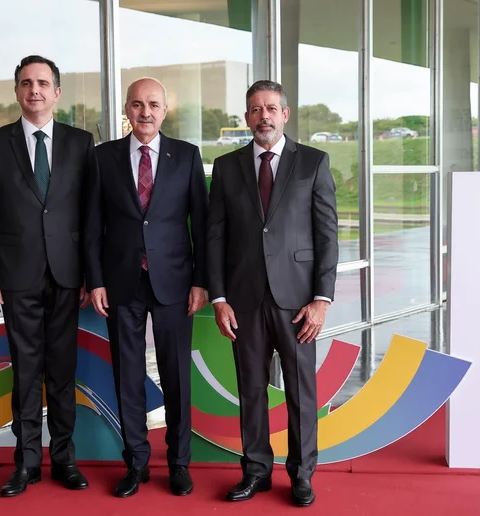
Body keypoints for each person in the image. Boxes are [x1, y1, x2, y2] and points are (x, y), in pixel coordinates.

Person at [206, 80, 339, 507]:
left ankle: (301, 475)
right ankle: (257, 472)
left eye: (271, 109)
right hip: (243, 300)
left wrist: (322, 298)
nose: (263, 116)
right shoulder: (226, 167)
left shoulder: (313, 162)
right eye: (255, 109)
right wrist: (219, 297)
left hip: (298, 301)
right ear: (246, 118)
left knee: (302, 392)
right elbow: (215, 238)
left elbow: (327, 235)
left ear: (285, 114)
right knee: (250, 389)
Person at [0, 55, 98, 498]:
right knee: (26, 372)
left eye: (43, 83)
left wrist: (89, 272)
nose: (35, 90)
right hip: (15, 276)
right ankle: (25, 463)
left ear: (57, 92)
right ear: (17, 91)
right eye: (26, 83)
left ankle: (64, 458)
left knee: (62, 372)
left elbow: (89, 214)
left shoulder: (82, 143)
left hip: (67, 276)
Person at [85, 78, 208, 498]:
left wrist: (201, 281)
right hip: (122, 281)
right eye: (137, 104)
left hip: (174, 282)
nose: (145, 112)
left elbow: (202, 226)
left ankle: (178, 464)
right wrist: (95, 279)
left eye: (153, 104)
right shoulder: (103, 158)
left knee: (176, 377)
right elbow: (91, 227)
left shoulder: (187, 156)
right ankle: (136, 463)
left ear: (165, 109)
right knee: (128, 375)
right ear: (127, 109)